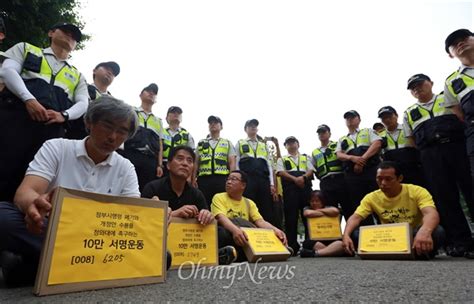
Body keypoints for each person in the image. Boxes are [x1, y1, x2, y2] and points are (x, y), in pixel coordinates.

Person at [0, 96, 140, 286]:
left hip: (99, 237)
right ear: (89, 123)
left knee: (161, 255)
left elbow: (132, 215)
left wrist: (152, 216)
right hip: (52, 228)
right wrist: (34, 204)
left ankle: (32, 267)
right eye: (107, 126)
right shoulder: (57, 147)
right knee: (4, 217)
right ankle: (86, 266)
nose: (112, 137)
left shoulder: (126, 167)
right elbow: (26, 192)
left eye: (122, 131)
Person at [0, 22, 88, 202]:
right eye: (66, 31)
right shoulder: (26, 49)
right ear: (51, 32)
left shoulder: (77, 75)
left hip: (51, 130)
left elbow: (83, 102)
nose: (70, 36)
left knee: (37, 176)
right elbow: (8, 71)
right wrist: (29, 100)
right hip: (16, 119)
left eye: (75, 36)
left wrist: (64, 115)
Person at [403, 73, 474, 257]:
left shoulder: (446, 97)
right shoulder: (409, 112)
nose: (417, 89)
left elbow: (462, 117)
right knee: (445, 198)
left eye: (420, 84)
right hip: (431, 156)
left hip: (456, 148)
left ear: (431, 83)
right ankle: (462, 242)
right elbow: (410, 141)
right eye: (413, 87)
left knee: (470, 189)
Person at [141, 146, 233, 264]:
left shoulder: (197, 194)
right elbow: (143, 221)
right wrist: (176, 214)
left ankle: (210, 256)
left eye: (189, 161)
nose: (185, 163)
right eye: (180, 159)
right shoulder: (152, 187)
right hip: (161, 239)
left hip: (187, 242)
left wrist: (206, 215)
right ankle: (213, 256)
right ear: (168, 165)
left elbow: (207, 219)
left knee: (221, 232)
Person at [342, 161, 445, 260]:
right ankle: (407, 253)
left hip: (414, 234)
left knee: (437, 231)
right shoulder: (371, 197)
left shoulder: (417, 191)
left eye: (388, 179)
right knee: (355, 234)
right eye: (379, 179)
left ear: (400, 178)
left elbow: (431, 213)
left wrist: (424, 231)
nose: (383, 183)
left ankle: (405, 251)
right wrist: (346, 235)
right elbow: (355, 217)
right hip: (388, 237)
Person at [211, 170, 288, 262]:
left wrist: (276, 230)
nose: (229, 182)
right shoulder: (219, 197)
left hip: (244, 238)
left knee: (267, 233)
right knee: (220, 233)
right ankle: (226, 253)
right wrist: (235, 230)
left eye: (234, 179)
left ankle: (279, 249)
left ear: (243, 185)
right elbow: (221, 217)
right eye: (228, 179)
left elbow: (260, 222)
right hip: (231, 234)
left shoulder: (249, 203)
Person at [444, 29, 474, 219]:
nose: (460, 43)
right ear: (450, 54)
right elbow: (459, 113)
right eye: (454, 44)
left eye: (464, 38)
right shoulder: (451, 82)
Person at [336, 110, 383, 226]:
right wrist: (352, 158)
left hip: (371, 171)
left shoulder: (368, 131)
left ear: (359, 119)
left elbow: (377, 143)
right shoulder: (342, 139)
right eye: (347, 118)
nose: (350, 120)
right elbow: (339, 154)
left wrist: (362, 159)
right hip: (353, 176)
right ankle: (367, 233)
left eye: (352, 117)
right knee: (359, 204)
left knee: (378, 199)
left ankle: (386, 228)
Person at [119, 83, 164, 192]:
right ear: (140, 95)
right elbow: (123, 131)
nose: (151, 93)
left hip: (150, 160)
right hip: (131, 154)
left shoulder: (158, 121)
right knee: (126, 185)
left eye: (154, 93)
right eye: (148, 91)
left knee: (146, 189)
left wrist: (159, 165)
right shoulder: (131, 111)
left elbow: (160, 145)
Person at [236, 119, 277, 227]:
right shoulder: (240, 143)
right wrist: (238, 179)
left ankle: (268, 235)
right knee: (248, 206)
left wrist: (272, 184)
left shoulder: (263, 145)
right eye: (250, 126)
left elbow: (269, 164)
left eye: (255, 126)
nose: (253, 127)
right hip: (248, 179)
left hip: (263, 180)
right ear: (246, 129)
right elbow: (236, 162)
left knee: (266, 208)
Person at [276, 136, 313, 254]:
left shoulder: (305, 157)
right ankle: (292, 245)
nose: (291, 145)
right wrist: (295, 179)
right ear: (285, 146)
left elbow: (311, 170)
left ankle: (309, 244)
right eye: (288, 143)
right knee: (290, 218)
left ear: (298, 144)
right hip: (290, 189)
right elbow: (280, 172)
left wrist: (303, 178)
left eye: (293, 143)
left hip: (305, 187)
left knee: (307, 215)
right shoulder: (282, 159)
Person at [65, 61, 120, 140]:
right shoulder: (80, 88)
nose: (110, 73)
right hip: (74, 135)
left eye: (113, 73)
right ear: (94, 71)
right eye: (106, 68)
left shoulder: (114, 103)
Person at [311, 124, 352, 220]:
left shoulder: (337, 145)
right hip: (326, 182)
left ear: (329, 134)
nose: (322, 134)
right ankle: (334, 234)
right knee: (330, 208)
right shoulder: (315, 152)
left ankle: (352, 233)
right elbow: (313, 167)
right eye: (319, 133)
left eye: (324, 132)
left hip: (340, 179)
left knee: (347, 206)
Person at [194, 115, 236, 206]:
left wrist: (232, 179)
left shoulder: (227, 143)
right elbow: (196, 162)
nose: (213, 125)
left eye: (216, 123)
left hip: (221, 179)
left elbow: (232, 162)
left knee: (221, 204)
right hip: (204, 180)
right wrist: (193, 178)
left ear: (221, 127)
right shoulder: (201, 143)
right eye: (210, 123)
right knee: (203, 204)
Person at [377, 106, 425, 186]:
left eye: (389, 116)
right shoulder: (380, 136)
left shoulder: (407, 128)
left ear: (396, 115)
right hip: (393, 172)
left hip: (412, 167)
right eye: (383, 118)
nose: (387, 120)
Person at [300, 190, 346, 258]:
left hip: (332, 239)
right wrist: (326, 213)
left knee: (342, 243)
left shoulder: (328, 207)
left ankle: (316, 253)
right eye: (312, 201)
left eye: (317, 201)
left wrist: (317, 211)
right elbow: (307, 213)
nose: (314, 203)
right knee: (307, 243)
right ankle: (334, 251)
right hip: (316, 240)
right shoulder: (307, 208)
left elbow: (336, 211)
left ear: (322, 201)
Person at [161, 106, 195, 176]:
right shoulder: (161, 132)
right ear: (167, 118)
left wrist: (190, 175)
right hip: (163, 166)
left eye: (178, 113)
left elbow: (192, 155)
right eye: (173, 112)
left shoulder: (187, 135)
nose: (176, 114)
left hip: (180, 167)